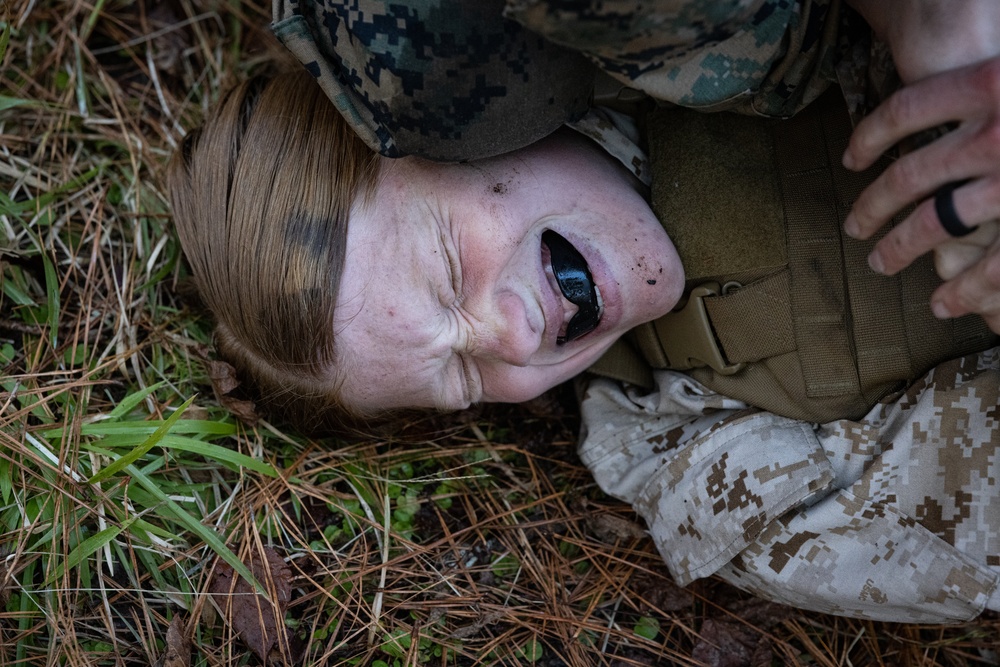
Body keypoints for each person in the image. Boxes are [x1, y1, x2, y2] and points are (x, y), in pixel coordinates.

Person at [169, 1, 1000, 623]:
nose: (518, 337)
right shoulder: (692, 458)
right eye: (463, 376)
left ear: (427, 134)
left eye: (451, 266)